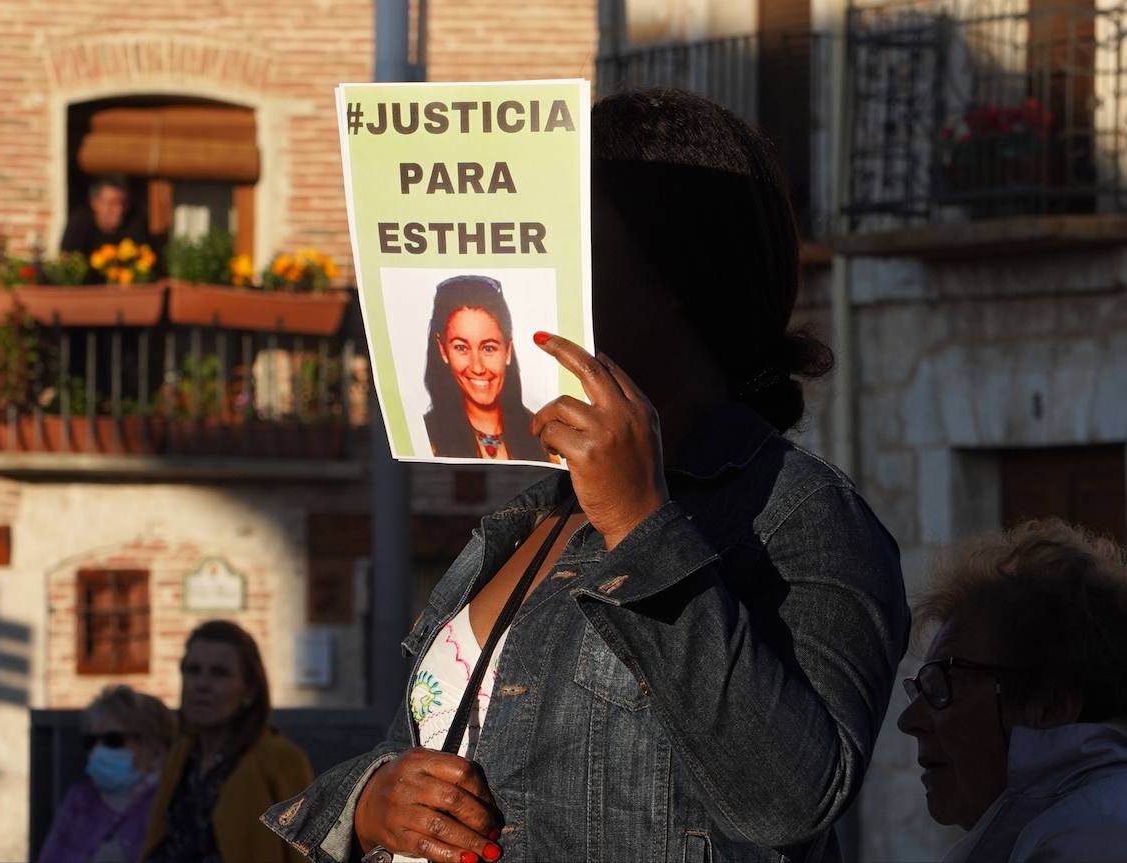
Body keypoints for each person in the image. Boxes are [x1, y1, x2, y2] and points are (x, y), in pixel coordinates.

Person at [263, 88, 909, 863]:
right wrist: (373, 798)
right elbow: (425, 751)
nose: (529, 272)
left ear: (670, 275)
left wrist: (643, 527)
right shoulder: (528, 518)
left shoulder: (800, 514)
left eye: (564, 242)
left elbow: (792, 802)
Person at [897, 519, 1127, 862]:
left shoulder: (1090, 840)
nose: (909, 720)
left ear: (1048, 707)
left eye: (943, 685)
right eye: (920, 690)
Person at [142, 620, 314, 863]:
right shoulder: (181, 754)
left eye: (219, 673)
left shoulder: (278, 759)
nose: (201, 685)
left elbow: (302, 853)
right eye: (193, 670)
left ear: (249, 691)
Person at [38, 685, 175, 863]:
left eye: (113, 740)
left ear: (156, 749)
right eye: (91, 741)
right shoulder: (79, 799)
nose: (98, 750)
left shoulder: (171, 803)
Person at [422, 275, 550, 462]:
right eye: (461, 347)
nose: (477, 367)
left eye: (488, 348)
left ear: (507, 350)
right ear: (443, 350)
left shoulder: (543, 434)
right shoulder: (423, 436)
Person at [60, 174, 153, 278]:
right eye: (112, 203)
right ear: (95, 203)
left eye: (123, 203)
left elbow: (147, 263)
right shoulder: (80, 223)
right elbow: (66, 262)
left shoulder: (136, 221)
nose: (119, 210)